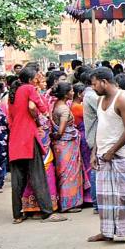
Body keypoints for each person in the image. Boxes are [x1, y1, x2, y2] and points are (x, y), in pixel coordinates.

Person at [87, 67, 125, 247]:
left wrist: (112, 151)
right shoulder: (100, 99)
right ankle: (107, 232)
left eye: (94, 84)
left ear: (104, 82)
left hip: (121, 156)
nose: (93, 87)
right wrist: (95, 152)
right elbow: (101, 127)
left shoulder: (123, 98)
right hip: (103, 155)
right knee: (105, 197)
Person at [8, 67, 65, 223]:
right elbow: (35, 106)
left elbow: (11, 118)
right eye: (35, 77)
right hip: (29, 137)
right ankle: (47, 211)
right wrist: (45, 116)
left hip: (15, 139)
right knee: (37, 175)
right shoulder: (29, 89)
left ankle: (17, 215)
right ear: (31, 79)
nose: (37, 79)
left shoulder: (13, 92)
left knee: (17, 180)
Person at [51, 82, 84, 213]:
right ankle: (69, 203)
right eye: (71, 91)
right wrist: (58, 136)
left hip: (61, 145)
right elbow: (61, 131)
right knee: (69, 174)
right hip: (66, 143)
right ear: (65, 94)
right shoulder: (64, 109)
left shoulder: (57, 104)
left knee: (63, 173)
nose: (73, 93)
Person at [71, 83, 94, 205]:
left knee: (85, 165)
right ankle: (89, 196)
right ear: (79, 94)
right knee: (88, 165)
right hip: (84, 136)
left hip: (81, 135)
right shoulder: (78, 108)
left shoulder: (74, 106)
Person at [81, 70, 99, 210]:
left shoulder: (89, 95)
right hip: (95, 136)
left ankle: (96, 202)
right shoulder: (91, 96)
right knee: (96, 169)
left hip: (94, 135)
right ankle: (97, 202)